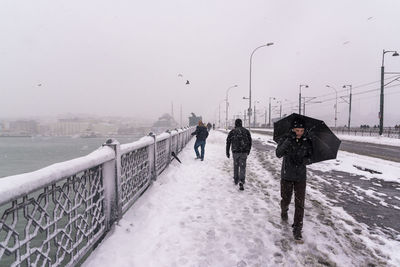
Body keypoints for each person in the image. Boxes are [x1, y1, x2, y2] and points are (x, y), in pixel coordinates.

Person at [275, 118, 313, 241]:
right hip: (287, 175)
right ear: (292, 129)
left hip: (300, 176)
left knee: (300, 204)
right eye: (297, 130)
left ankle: (297, 229)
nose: (299, 133)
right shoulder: (286, 138)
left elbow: (311, 157)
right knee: (286, 199)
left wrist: (304, 160)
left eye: (302, 130)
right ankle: (284, 210)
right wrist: (288, 140)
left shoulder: (307, 140)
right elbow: (278, 153)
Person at [226, 119, 252, 191]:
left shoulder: (232, 132)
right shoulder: (246, 131)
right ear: (241, 123)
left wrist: (227, 152)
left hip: (235, 152)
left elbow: (228, 142)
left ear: (235, 124)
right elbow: (250, 141)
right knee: (243, 167)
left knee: (236, 165)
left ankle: (236, 179)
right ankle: (241, 180)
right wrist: (248, 150)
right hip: (244, 152)